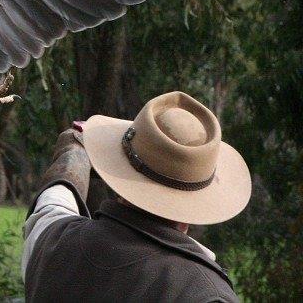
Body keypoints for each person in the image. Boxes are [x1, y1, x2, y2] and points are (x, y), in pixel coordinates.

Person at [21, 91, 251, 302]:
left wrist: (72, 155)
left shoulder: (54, 243)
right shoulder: (205, 293)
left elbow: (50, 207)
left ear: (121, 170)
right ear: (200, 196)